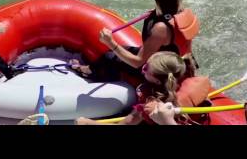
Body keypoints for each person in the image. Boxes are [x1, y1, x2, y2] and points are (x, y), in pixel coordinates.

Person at [70, 0, 199, 82]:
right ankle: (105, 73)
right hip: (178, 65)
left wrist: (110, 42)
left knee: (110, 55)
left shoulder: (161, 29)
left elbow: (138, 63)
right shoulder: (182, 13)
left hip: (162, 73)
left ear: (157, 0)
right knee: (120, 51)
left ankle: (87, 71)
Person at [75, 51, 210, 125]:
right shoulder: (181, 77)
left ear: (157, 80)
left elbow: (127, 124)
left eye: (145, 68)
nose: (142, 69)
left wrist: (88, 123)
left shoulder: (151, 102)